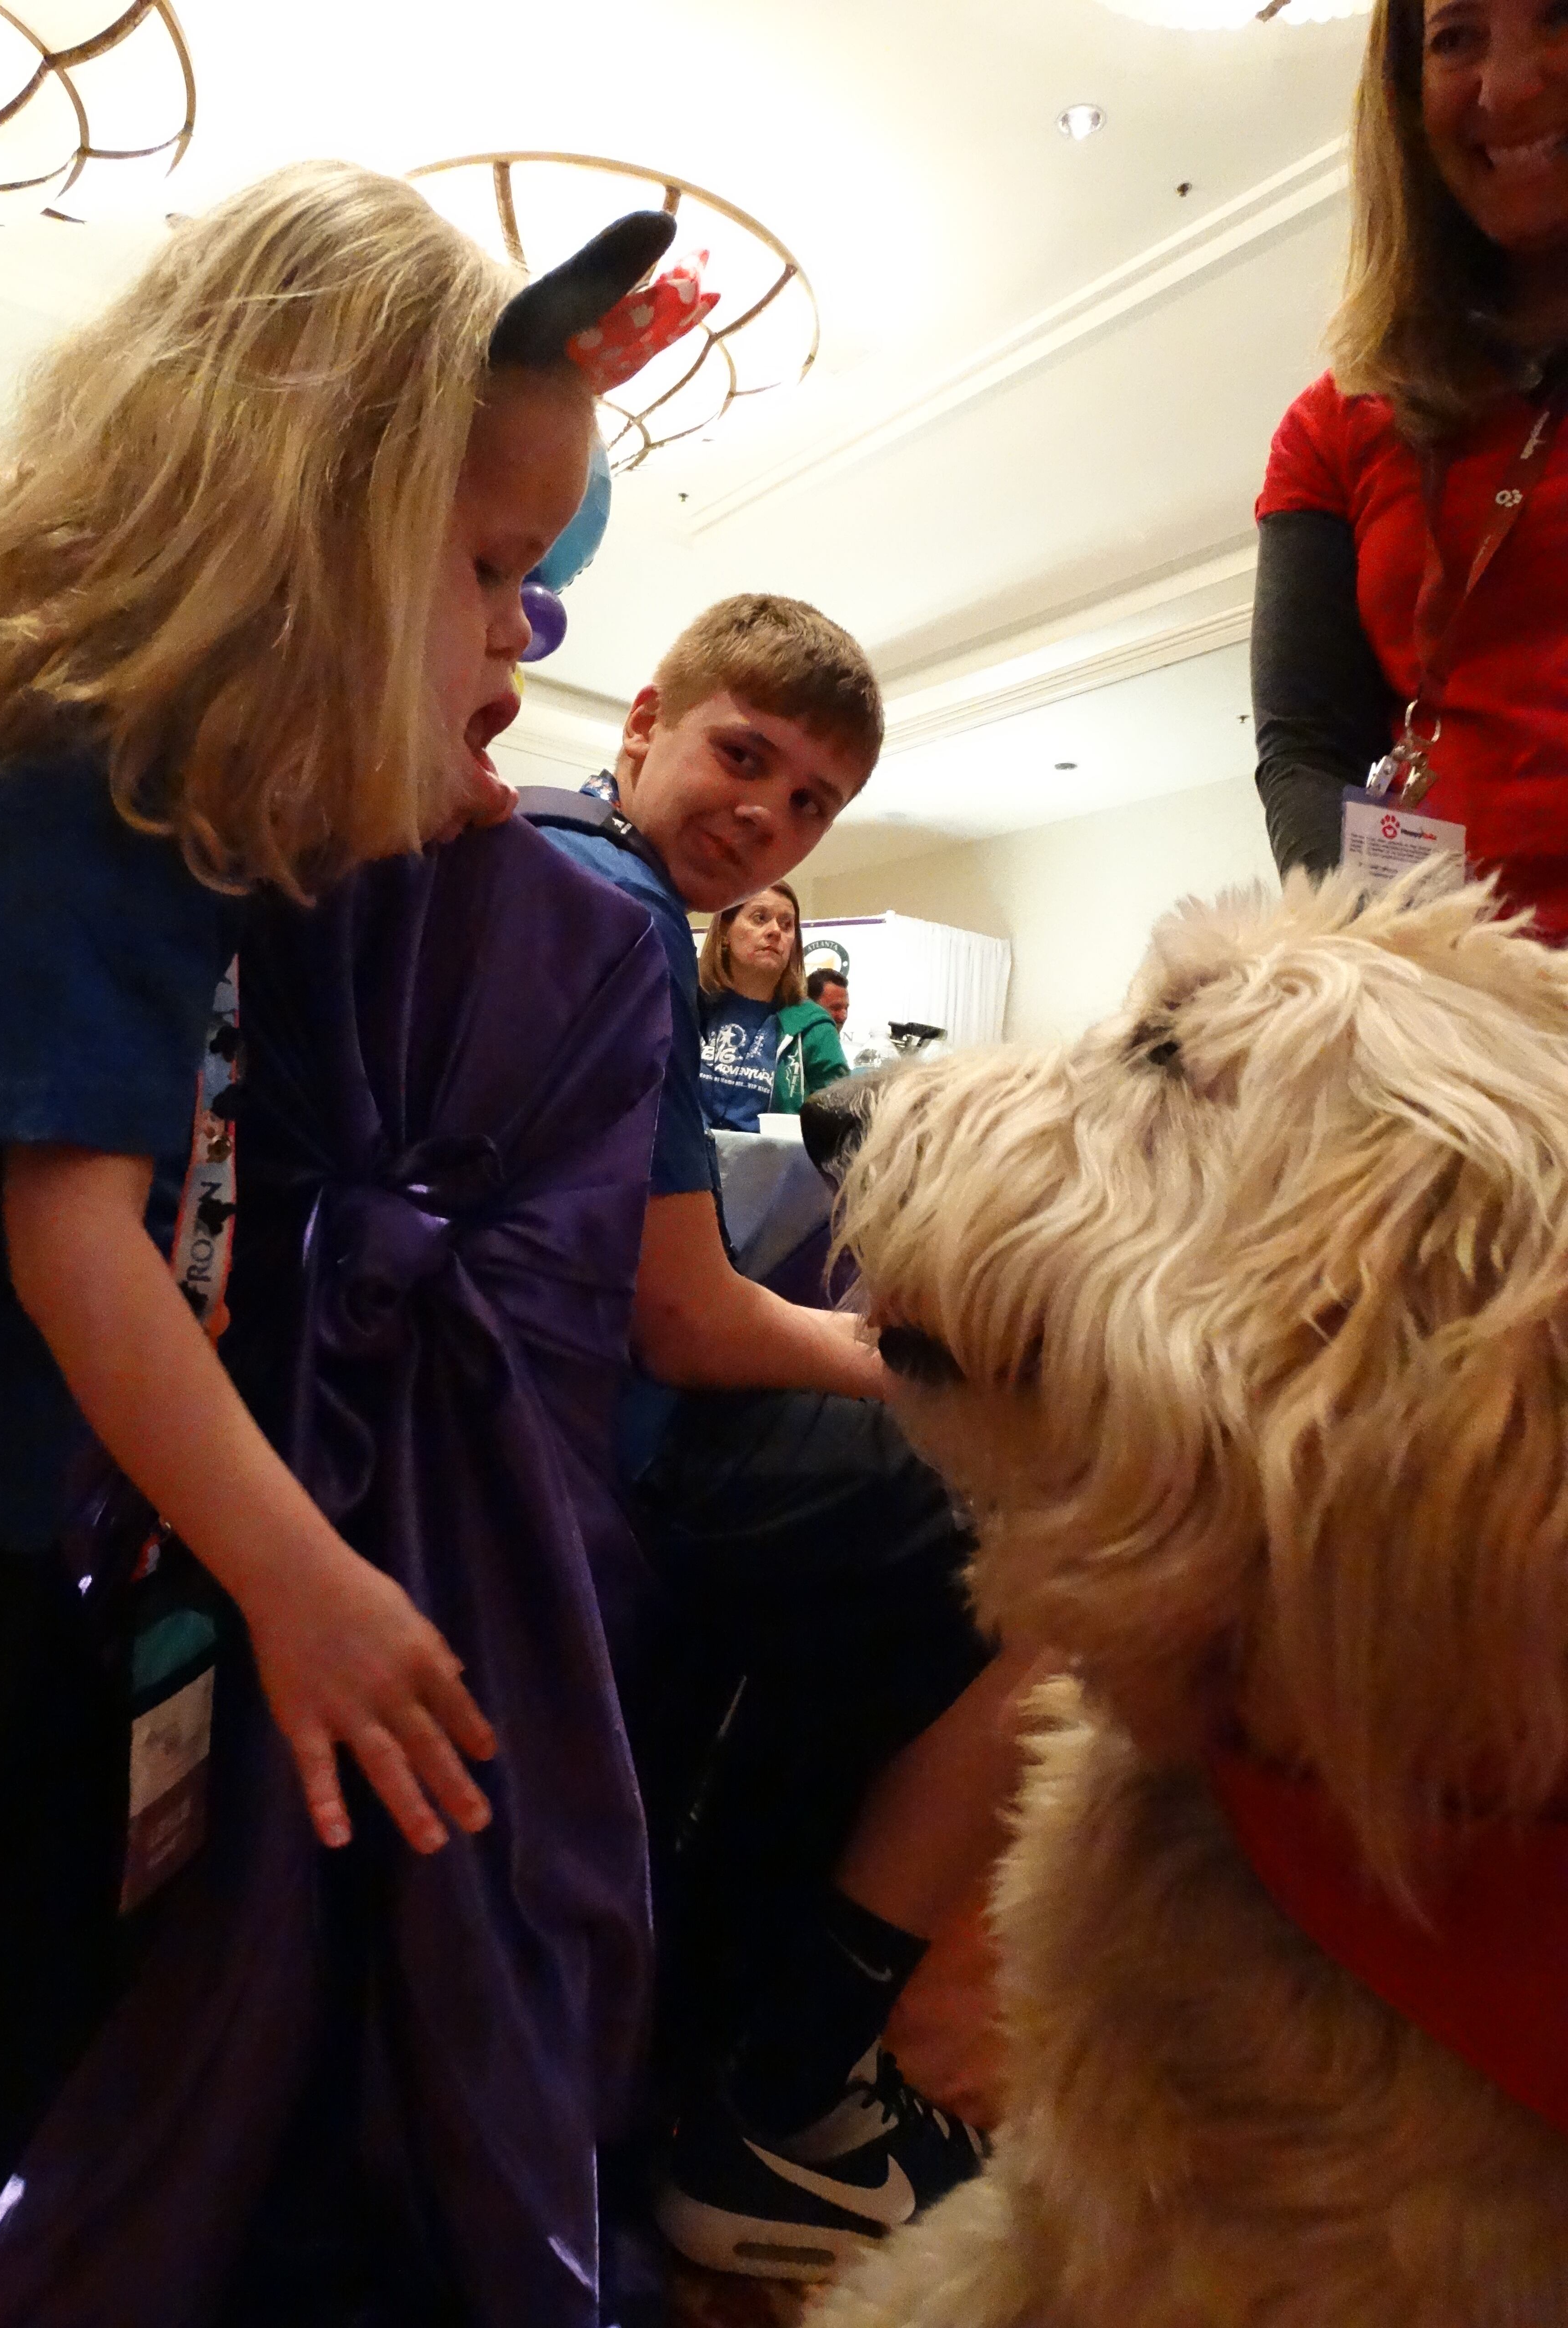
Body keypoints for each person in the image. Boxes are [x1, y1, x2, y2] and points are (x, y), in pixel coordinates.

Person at [0, 161, 641, 2328]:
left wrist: (440, 759)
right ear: (314, 527)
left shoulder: (131, 759)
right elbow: (74, 1236)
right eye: (482, 575)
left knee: (85, 1911)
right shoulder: (40, 754)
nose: (514, 638)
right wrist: (310, 1584)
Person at [528, 595, 1030, 2285]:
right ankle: (793, 2078)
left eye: (812, 802)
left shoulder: (534, 858)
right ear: (646, 718)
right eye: (745, 756)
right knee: (1034, 1548)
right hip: (610, 1443)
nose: (767, 818)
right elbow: (690, 1319)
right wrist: (948, 1381)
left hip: (534, 1420)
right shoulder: (620, 930)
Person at [1253, 0, 1568, 937]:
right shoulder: (1327, 426)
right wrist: (1410, 983)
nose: (1507, 87)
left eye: (1556, 17)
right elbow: (1307, 753)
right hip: (1455, 1030)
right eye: (1453, 38)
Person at [696, 881, 849, 1129]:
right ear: (725, 931)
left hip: (771, 1165)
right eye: (760, 918)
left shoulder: (815, 1028)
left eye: (787, 925)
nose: (776, 931)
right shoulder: (686, 1003)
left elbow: (840, 1126)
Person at [807, 966, 851, 1034]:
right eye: (836, 1008)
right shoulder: (788, 1041)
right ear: (810, 1006)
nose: (844, 1016)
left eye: (846, 1008)